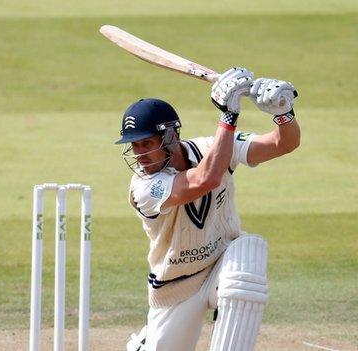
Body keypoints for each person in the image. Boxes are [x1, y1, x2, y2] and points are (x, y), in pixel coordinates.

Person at [118, 67, 300, 351]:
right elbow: (206, 179)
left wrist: (283, 113)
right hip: (176, 285)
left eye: (147, 143)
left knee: (248, 253)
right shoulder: (143, 187)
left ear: (170, 136)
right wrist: (228, 115)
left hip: (222, 263)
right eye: (135, 146)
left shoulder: (211, 147)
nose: (140, 155)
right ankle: (146, 342)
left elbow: (284, 143)